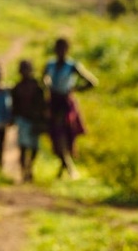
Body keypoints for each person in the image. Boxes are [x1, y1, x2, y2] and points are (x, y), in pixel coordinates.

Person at [43, 37, 98, 179]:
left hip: (65, 104)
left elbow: (92, 82)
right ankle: (66, 169)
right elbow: (43, 80)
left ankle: (69, 168)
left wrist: (75, 89)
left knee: (62, 135)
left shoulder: (72, 65)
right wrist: (47, 84)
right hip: (53, 103)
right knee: (55, 136)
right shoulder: (50, 65)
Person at [11, 59, 46, 183]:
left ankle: (29, 168)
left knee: (34, 147)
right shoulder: (17, 87)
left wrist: (42, 120)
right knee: (23, 147)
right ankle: (24, 173)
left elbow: (43, 104)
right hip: (23, 120)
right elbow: (14, 106)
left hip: (35, 121)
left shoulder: (38, 87)